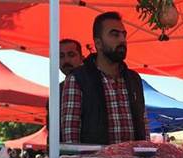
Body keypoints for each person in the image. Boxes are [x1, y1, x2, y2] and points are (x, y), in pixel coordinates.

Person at [61, 11, 149, 145]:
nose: (122, 40)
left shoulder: (134, 79)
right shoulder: (77, 79)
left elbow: (144, 125)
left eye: (123, 35)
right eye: (114, 34)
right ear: (98, 43)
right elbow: (71, 138)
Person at [47, 39, 84, 143]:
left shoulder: (94, 84)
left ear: (82, 58)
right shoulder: (55, 91)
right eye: (61, 56)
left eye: (71, 55)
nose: (66, 60)